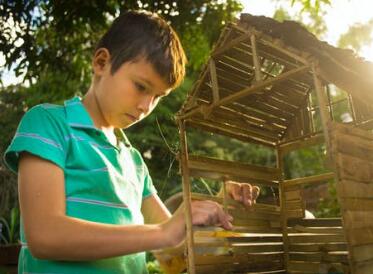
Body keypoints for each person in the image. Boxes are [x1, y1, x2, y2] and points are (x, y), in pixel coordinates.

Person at [4, 10, 259, 274]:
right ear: (101, 63)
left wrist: (220, 207)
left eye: (158, 96)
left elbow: (173, 243)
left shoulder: (134, 160)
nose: (146, 106)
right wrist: (164, 232)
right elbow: (45, 236)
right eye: (141, 86)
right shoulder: (49, 123)